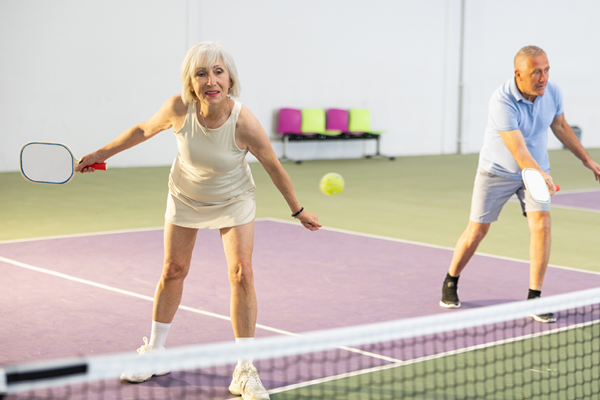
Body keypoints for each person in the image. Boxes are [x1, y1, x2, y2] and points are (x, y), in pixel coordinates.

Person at [76, 41, 321, 400]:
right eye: (202, 73)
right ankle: (155, 353)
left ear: (230, 79)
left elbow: (272, 164)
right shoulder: (178, 108)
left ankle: (244, 369)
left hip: (234, 198)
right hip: (186, 196)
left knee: (242, 273)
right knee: (173, 270)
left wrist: (297, 210)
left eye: (218, 72)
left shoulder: (245, 121)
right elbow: (143, 130)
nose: (211, 80)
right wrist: (99, 154)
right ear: (191, 81)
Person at [439, 45, 600, 322]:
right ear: (519, 74)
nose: (543, 77)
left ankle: (534, 298)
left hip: (536, 171)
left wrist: (587, 160)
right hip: (497, 172)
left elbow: (560, 126)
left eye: (547, 70)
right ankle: (451, 279)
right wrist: (541, 174)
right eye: (536, 72)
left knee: (542, 225)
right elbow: (519, 151)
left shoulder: (553, 92)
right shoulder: (501, 101)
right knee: (477, 231)